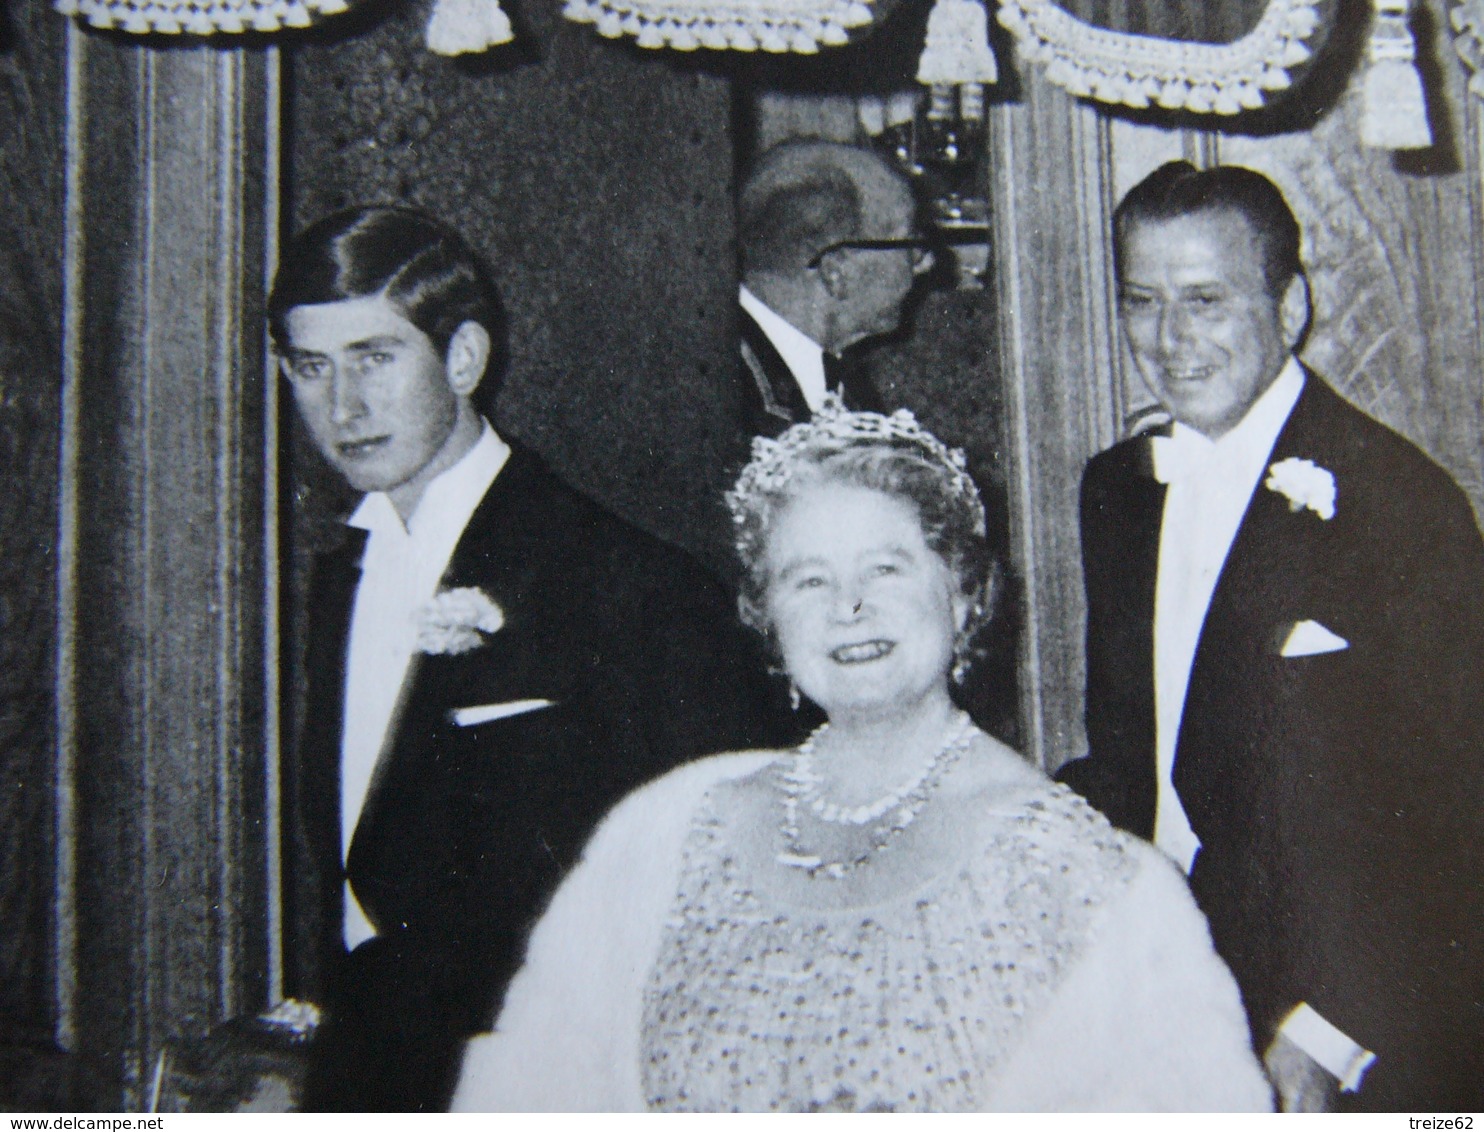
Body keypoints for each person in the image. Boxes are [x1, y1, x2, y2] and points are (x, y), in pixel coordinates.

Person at [450, 397, 1273, 1112]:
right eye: (807, 580)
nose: (848, 607)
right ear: (766, 617)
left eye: (885, 567)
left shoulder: (1092, 879)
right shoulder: (664, 833)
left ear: (963, 591)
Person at [269, 206, 781, 1110]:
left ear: (463, 359)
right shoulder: (336, 579)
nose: (341, 408)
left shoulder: (628, 584)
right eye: (312, 369)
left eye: (375, 359)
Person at [1058, 162, 1484, 1110]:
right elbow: (1138, 755)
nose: (1171, 341)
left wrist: (1328, 1034)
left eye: (1206, 300)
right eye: (1143, 302)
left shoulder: (1400, 505)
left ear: (1288, 307)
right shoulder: (1117, 491)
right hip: (1164, 994)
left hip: (1351, 1028)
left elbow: (1455, 810)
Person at [730, 139, 933, 437]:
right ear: (836, 271)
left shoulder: (839, 378)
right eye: (908, 245)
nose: (924, 263)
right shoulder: (726, 396)